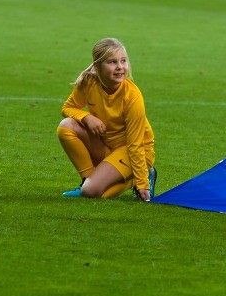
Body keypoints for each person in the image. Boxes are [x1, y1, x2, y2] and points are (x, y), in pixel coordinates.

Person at [56, 38, 157, 200]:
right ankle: (87, 182)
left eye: (123, 61)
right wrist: (86, 117)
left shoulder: (132, 96)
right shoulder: (89, 82)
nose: (119, 67)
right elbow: (67, 108)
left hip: (133, 152)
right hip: (107, 146)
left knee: (92, 193)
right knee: (66, 126)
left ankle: (141, 176)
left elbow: (135, 144)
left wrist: (142, 183)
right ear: (97, 66)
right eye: (112, 62)